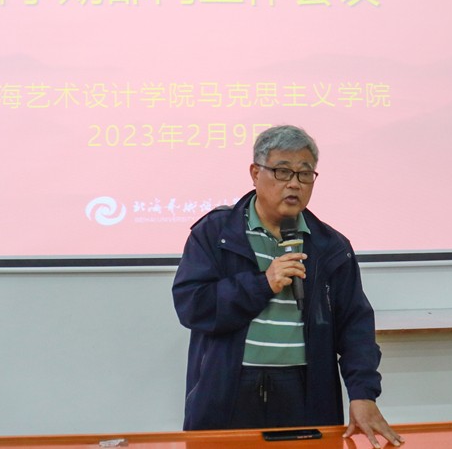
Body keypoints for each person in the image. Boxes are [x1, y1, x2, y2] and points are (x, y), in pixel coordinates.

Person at [172, 124, 403, 448]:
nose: (294, 183)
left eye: (305, 174)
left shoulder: (330, 246)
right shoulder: (215, 233)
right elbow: (192, 305)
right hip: (228, 392)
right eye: (282, 171)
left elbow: (355, 326)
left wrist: (362, 393)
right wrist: (263, 284)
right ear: (255, 173)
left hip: (303, 394)